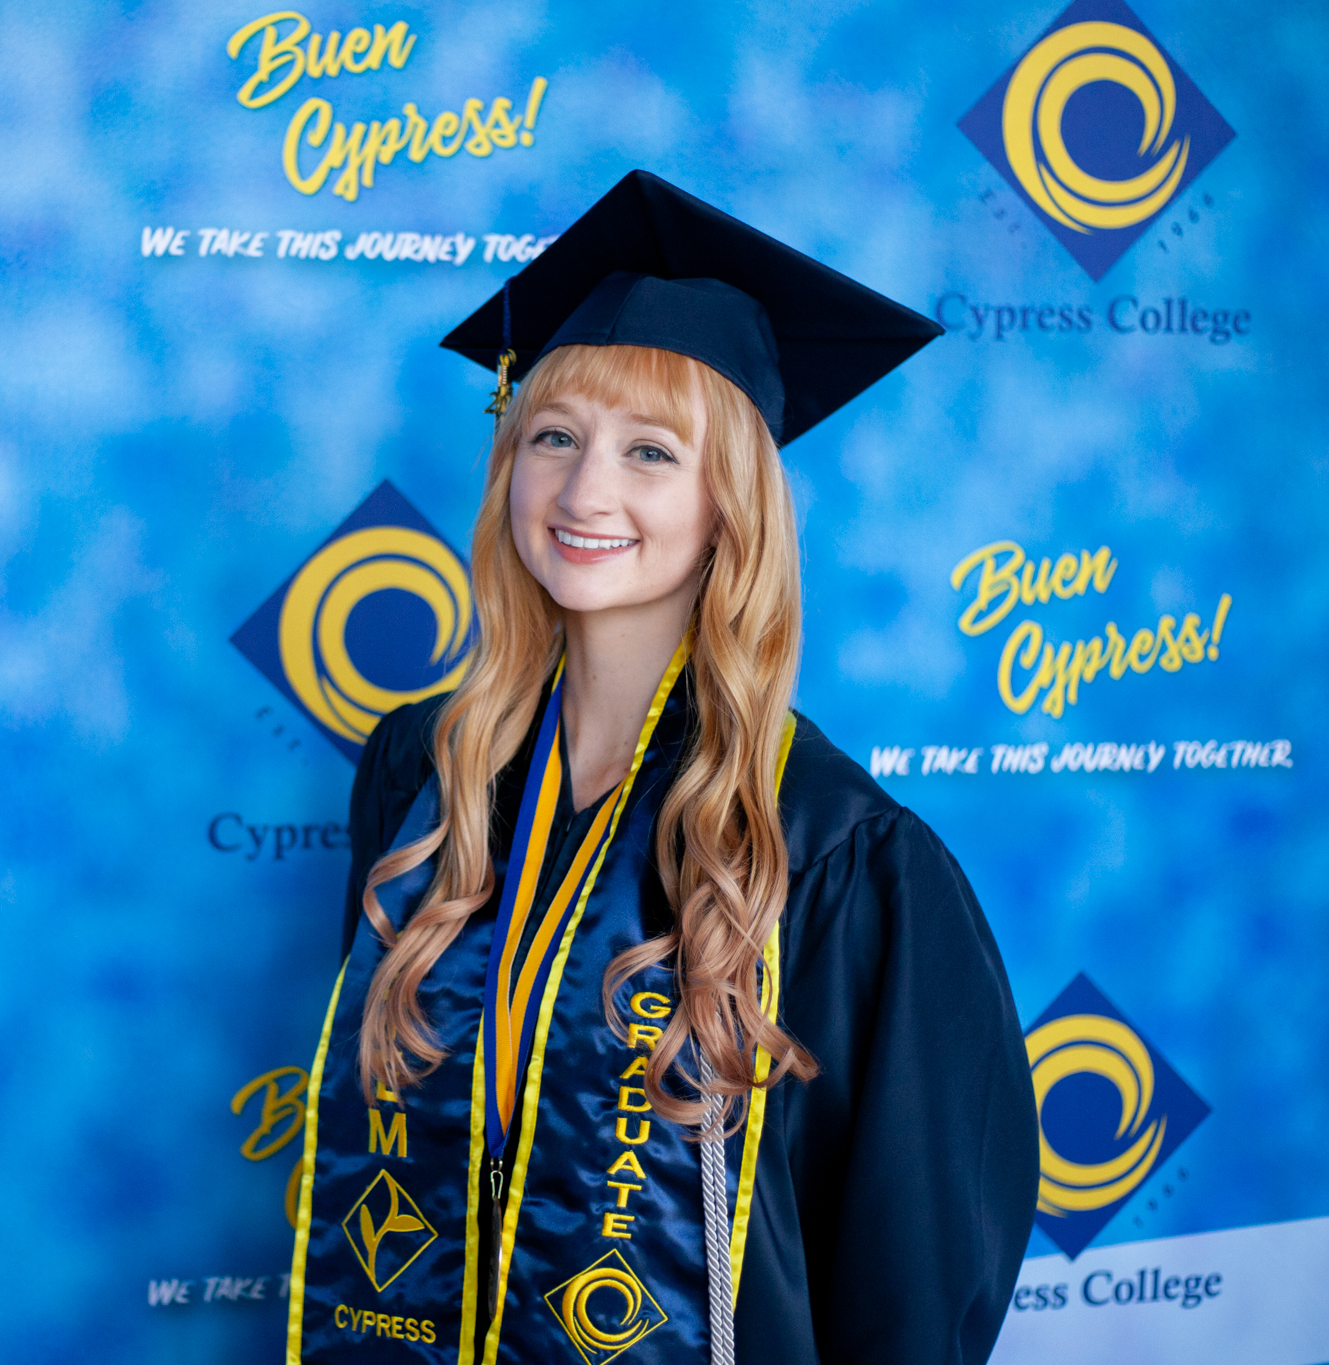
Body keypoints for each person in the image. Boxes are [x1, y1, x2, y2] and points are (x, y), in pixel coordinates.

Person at [283, 171, 1038, 1365]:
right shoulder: (423, 774)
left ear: (726, 501)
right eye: (553, 437)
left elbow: (916, 1258)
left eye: (649, 452)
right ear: (507, 464)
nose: (586, 491)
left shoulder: (835, 850)